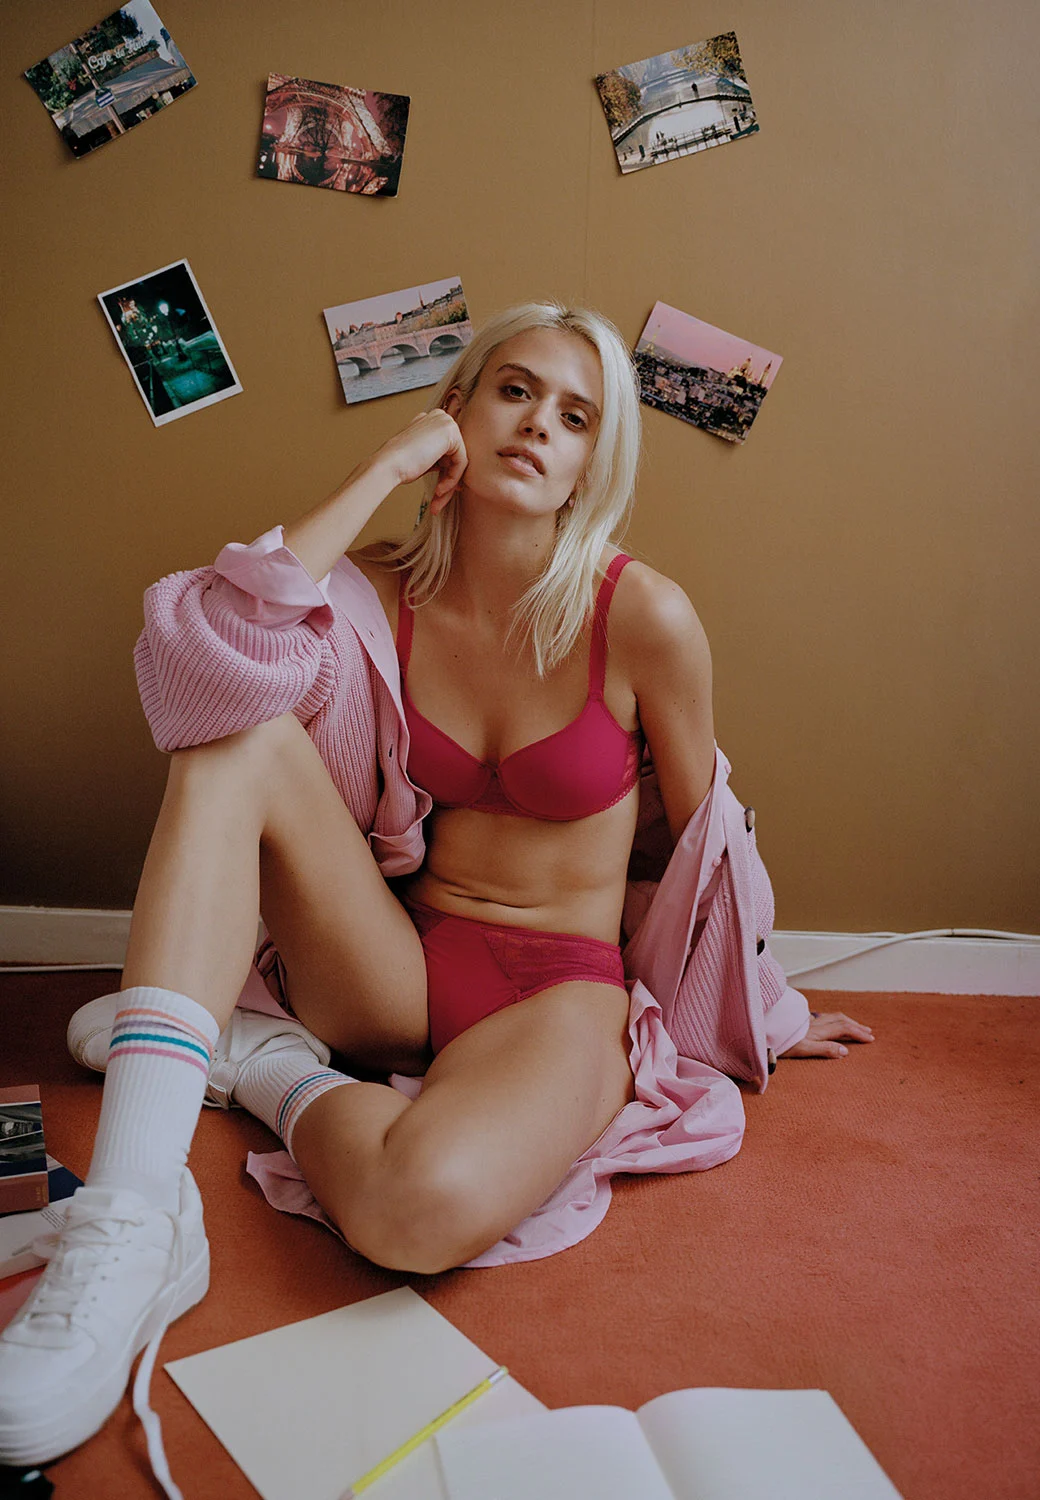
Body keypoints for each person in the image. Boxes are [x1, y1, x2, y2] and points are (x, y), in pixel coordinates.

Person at [0, 302, 871, 1486]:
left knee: (412, 1217)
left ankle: (268, 1070)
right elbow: (200, 666)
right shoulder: (375, 590)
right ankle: (131, 1216)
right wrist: (384, 468)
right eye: (513, 391)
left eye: (576, 416)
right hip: (396, 964)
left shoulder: (643, 617)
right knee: (234, 735)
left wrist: (761, 1003)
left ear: (592, 463)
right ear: (456, 411)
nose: (539, 425)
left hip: (555, 993)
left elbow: (700, 843)